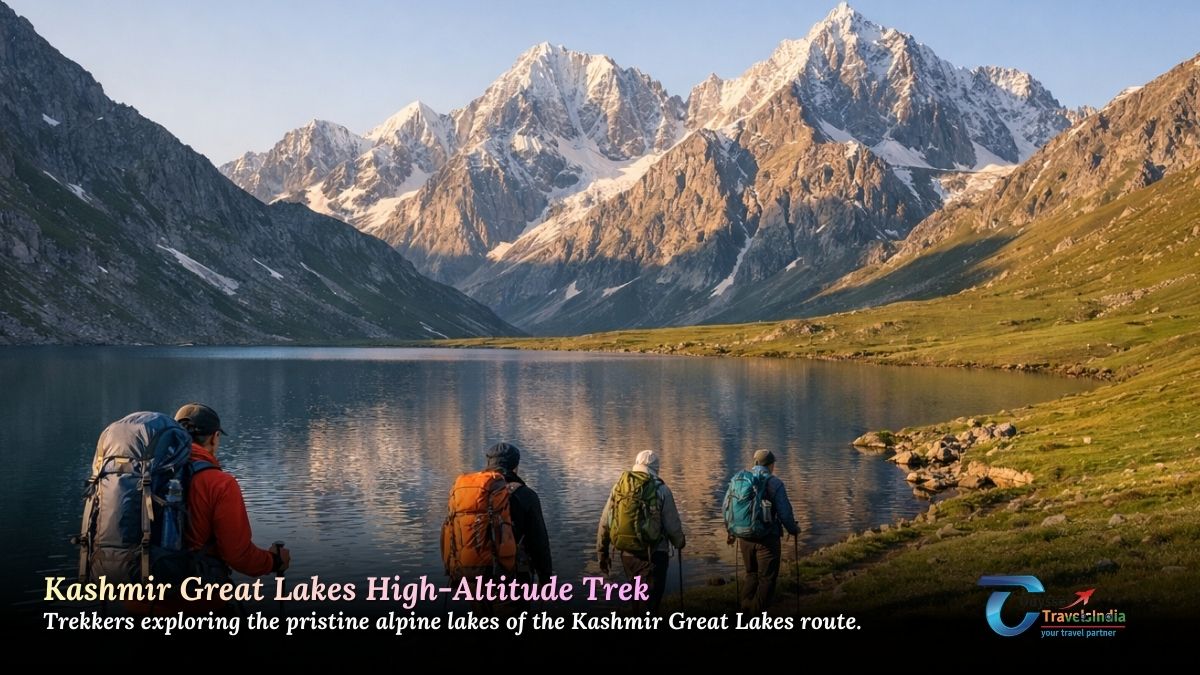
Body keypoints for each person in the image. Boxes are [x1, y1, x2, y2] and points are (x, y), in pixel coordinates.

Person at [174, 403, 290, 594]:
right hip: (197, 606)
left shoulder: (148, 476)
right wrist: (274, 561)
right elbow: (238, 555)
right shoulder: (220, 484)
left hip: (138, 603)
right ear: (215, 437)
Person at [448, 442, 552, 618]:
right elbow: (538, 542)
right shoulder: (525, 495)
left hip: (473, 576)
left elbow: (452, 534)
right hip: (512, 577)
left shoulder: (467, 493)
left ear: (489, 464)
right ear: (516, 466)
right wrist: (545, 579)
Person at [596, 450, 686, 614]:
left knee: (636, 598)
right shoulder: (661, 489)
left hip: (627, 555)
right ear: (656, 468)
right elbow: (673, 525)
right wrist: (680, 542)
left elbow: (605, 522)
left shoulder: (619, 487)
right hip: (654, 555)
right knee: (650, 604)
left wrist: (602, 553)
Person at [726, 449, 800, 613]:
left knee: (751, 574)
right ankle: (755, 615)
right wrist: (793, 530)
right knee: (767, 579)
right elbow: (785, 513)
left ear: (755, 463)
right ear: (771, 465)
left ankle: (744, 608)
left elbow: (728, 508)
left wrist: (731, 532)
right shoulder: (775, 484)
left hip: (744, 538)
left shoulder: (739, 480)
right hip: (767, 540)